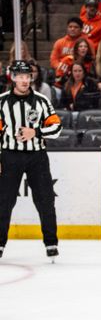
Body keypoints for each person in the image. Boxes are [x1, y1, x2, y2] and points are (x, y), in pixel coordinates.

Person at [0, 61, 63, 260]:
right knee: (4, 201)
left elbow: (56, 128)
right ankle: (0, 244)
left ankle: (51, 243)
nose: (25, 80)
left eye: (27, 76)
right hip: (10, 155)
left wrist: (34, 132)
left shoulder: (42, 101)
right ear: (13, 78)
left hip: (37, 157)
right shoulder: (1, 102)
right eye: (20, 76)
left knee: (45, 200)